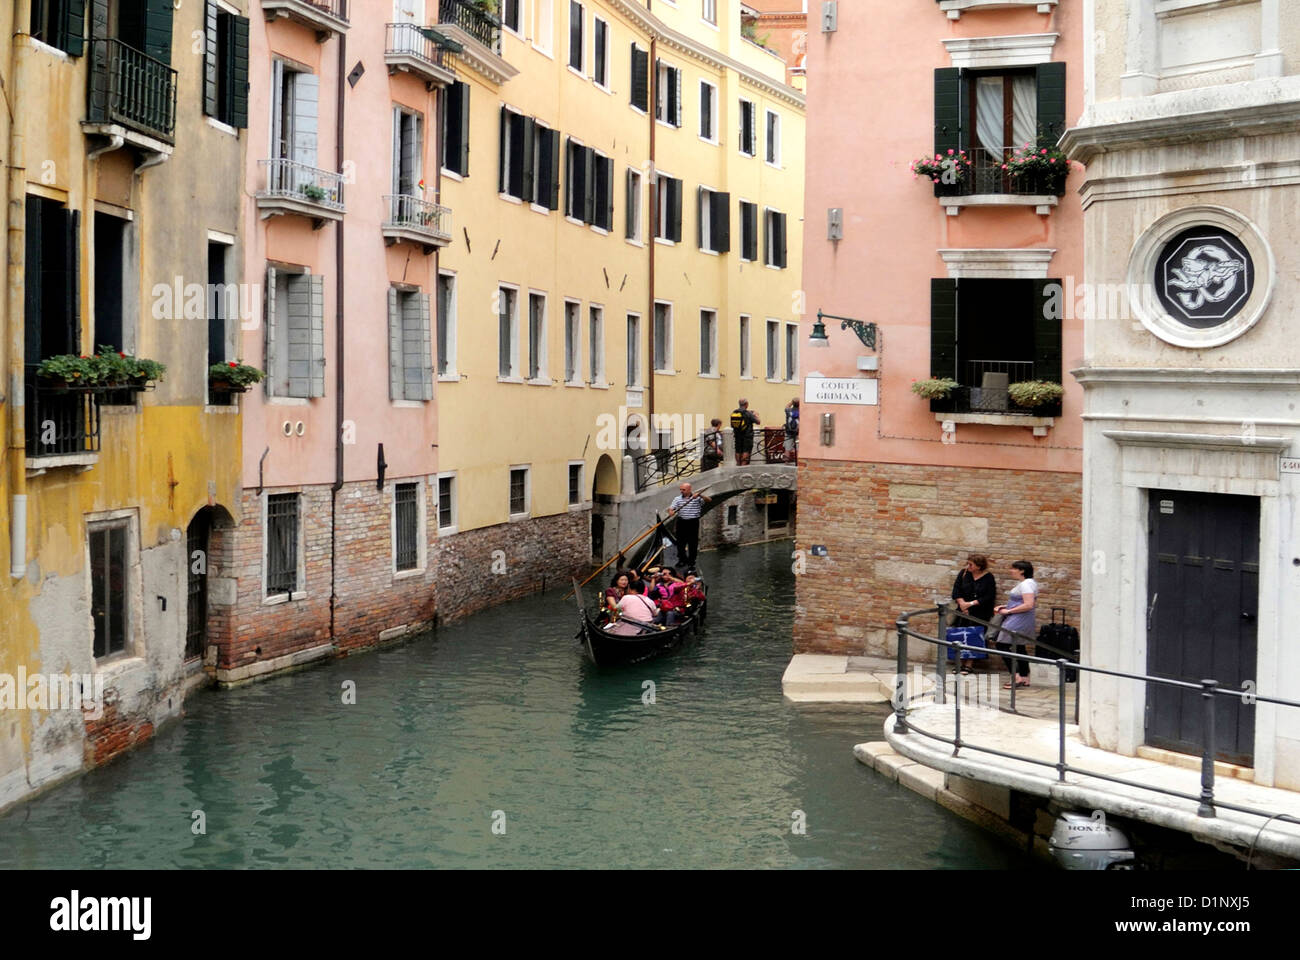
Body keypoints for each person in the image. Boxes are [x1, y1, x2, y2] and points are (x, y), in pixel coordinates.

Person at [950, 554, 996, 675]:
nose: (968, 566)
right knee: (960, 635)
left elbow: (989, 596)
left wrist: (970, 604)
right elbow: (956, 590)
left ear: (979, 566)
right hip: (962, 610)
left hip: (979, 612)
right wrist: (962, 604)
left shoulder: (988, 577)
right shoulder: (964, 573)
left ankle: (969, 664)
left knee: (974, 636)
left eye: (971, 564)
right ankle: (959, 663)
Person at [994, 560, 1037, 688]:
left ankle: (1016, 677)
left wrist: (1009, 610)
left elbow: (1029, 604)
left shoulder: (1025, 585)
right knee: (1019, 647)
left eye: (1013, 569)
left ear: (1022, 571)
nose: (1011, 571)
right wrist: (1006, 606)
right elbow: (1022, 602)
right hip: (1024, 619)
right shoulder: (1031, 583)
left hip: (1017, 620)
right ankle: (1024, 677)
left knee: (1001, 645)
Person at [667, 481, 711, 570]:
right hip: (681, 522)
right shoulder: (677, 499)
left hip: (693, 523)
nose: (681, 491)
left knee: (692, 543)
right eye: (681, 490)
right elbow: (671, 508)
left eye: (683, 490)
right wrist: (671, 511)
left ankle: (691, 563)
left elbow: (709, 500)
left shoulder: (697, 498)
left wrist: (700, 496)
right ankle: (682, 560)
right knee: (680, 543)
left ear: (689, 489)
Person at [730, 399, 760, 466]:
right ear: (746, 404)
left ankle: (738, 464)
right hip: (747, 436)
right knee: (746, 450)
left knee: (738, 450)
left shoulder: (734, 412)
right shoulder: (748, 413)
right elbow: (758, 422)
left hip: (737, 435)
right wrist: (756, 415)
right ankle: (743, 465)